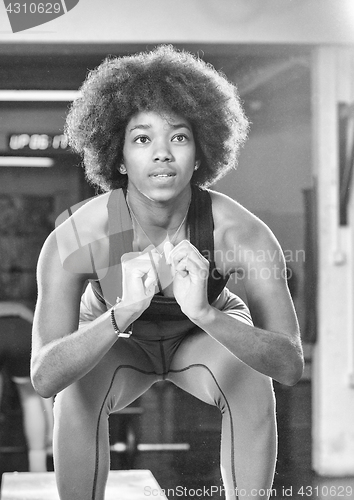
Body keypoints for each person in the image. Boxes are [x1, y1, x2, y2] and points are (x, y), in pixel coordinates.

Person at [31, 45, 304, 500]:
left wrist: (206, 314)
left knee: (251, 375)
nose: (162, 154)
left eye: (178, 138)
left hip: (201, 343)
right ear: (117, 159)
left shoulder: (240, 233)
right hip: (121, 345)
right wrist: (122, 313)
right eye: (142, 139)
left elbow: (290, 366)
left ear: (200, 155)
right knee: (74, 389)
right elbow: (44, 378)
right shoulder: (77, 237)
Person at [0, 301, 53, 472]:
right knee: (30, 398)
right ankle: (37, 463)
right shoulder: (22, 308)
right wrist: (52, 430)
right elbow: (45, 391)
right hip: (23, 334)